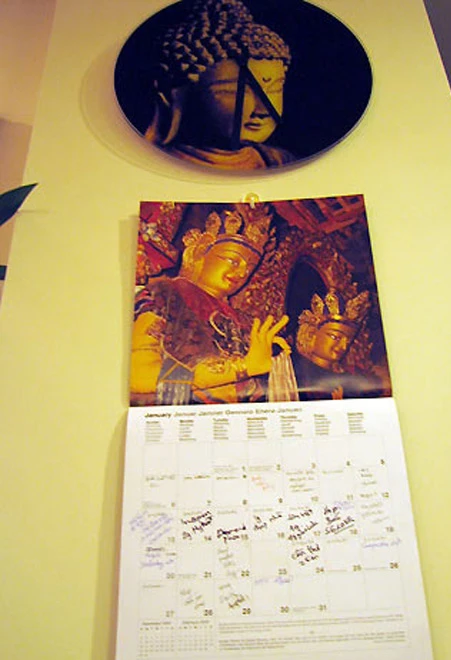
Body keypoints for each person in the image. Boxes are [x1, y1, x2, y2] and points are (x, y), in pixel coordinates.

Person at [130, 206, 291, 405]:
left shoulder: (245, 323)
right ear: (200, 253)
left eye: (249, 267)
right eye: (233, 260)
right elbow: (139, 375)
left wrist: (276, 358)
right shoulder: (166, 294)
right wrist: (242, 368)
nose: (242, 273)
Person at [145, 0, 293, 170]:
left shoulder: (280, 161)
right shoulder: (157, 166)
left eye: (275, 89)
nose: (263, 110)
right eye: (235, 91)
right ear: (174, 96)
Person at [294, 289, 390, 400]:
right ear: (312, 334)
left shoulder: (351, 379)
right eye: (335, 337)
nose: (344, 347)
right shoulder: (295, 372)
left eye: (348, 341)